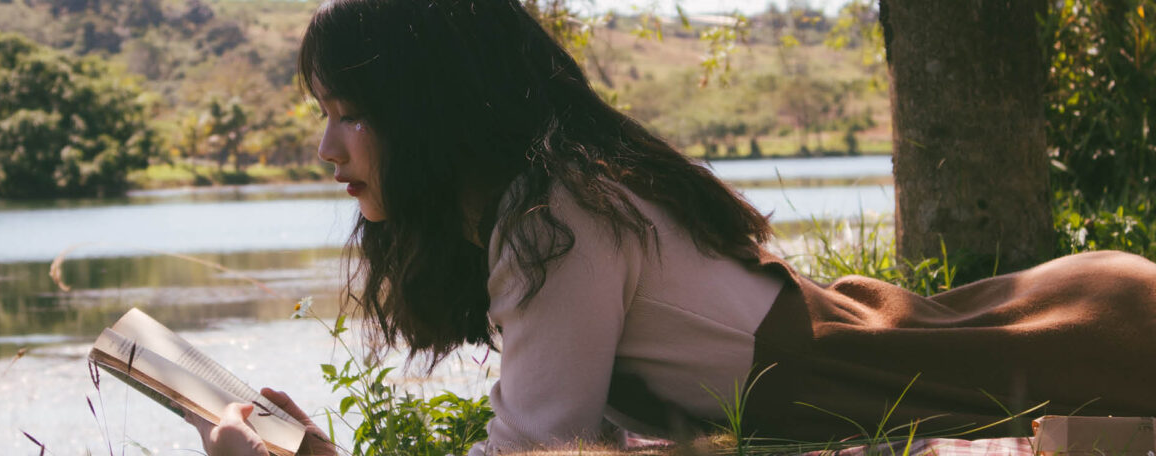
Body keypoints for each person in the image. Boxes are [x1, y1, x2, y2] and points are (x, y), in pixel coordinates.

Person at [186, 0, 1156, 454]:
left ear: (429, 109)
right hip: (1000, 334)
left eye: (349, 113)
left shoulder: (552, 217)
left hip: (1078, 349)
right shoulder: (549, 196)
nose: (326, 150)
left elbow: (540, 454)